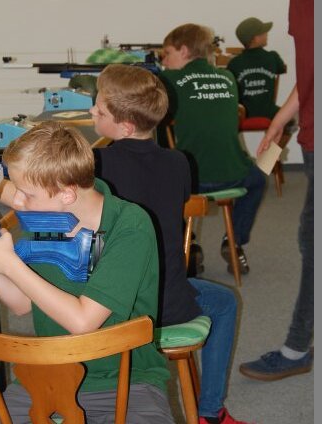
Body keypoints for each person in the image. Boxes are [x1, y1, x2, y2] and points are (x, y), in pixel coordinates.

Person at [0, 121, 176, 424]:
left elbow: (83, 322)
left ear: (66, 194)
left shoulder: (130, 226)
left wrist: (10, 263)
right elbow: (21, 302)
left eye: (27, 194)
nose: (18, 201)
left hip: (125, 381)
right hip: (48, 377)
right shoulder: (46, 218)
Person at [91, 63, 252, 424]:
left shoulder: (96, 165)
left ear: (125, 126)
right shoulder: (179, 162)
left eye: (99, 111)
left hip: (117, 307)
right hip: (171, 301)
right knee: (224, 302)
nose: (91, 112)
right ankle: (210, 411)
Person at [239, 0, 314, 381]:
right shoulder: (299, 7)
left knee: (312, 242)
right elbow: (310, 74)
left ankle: (297, 347)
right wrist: (280, 119)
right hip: (312, 138)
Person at [158, 23, 267, 275]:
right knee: (259, 180)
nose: (164, 61)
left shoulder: (168, 80)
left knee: (161, 182)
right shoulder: (228, 78)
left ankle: (190, 246)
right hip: (234, 175)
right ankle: (234, 241)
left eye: (167, 53)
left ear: (184, 50)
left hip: (193, 183)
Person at [227, 17, 287, 120]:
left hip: (243, 115)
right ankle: (276, 132)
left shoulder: (234, 63)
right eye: (263, 32)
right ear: (255, 38)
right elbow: (282, 69)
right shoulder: (272, 57)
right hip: (269, 113)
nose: (267, 34)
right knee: (291, 118)